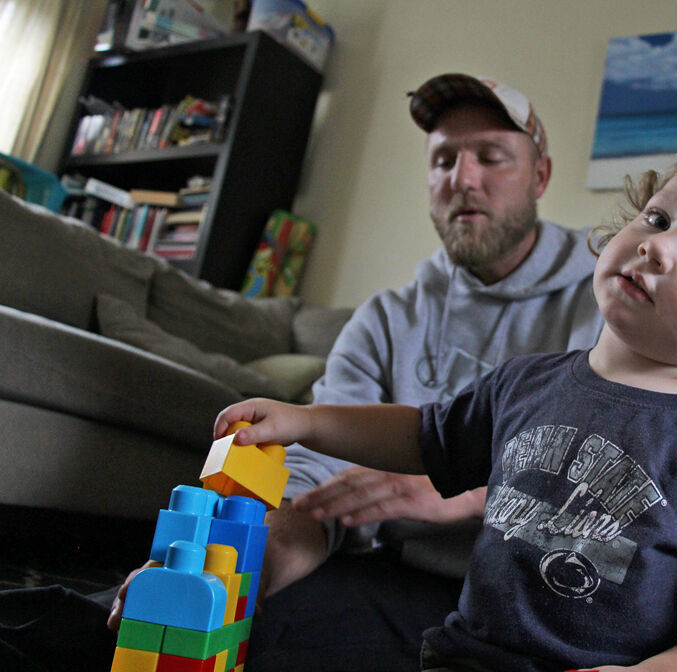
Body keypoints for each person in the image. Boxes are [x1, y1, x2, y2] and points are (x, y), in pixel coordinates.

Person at [212, 139, 677, 672]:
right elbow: (421, 436)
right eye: (657, 218)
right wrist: (307, 422)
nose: (657, 248)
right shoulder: (526, 381)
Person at [104, 74, 604, 670]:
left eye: (491, 157)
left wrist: (472, 489)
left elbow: (626, 475)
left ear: (540, 176)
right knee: (125, 627)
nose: (463, 179)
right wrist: (231, 582)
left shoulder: (609, 297)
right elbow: (317, 486)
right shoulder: (385, 321)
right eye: (443, 159)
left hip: (535, 601)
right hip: (391, 577)